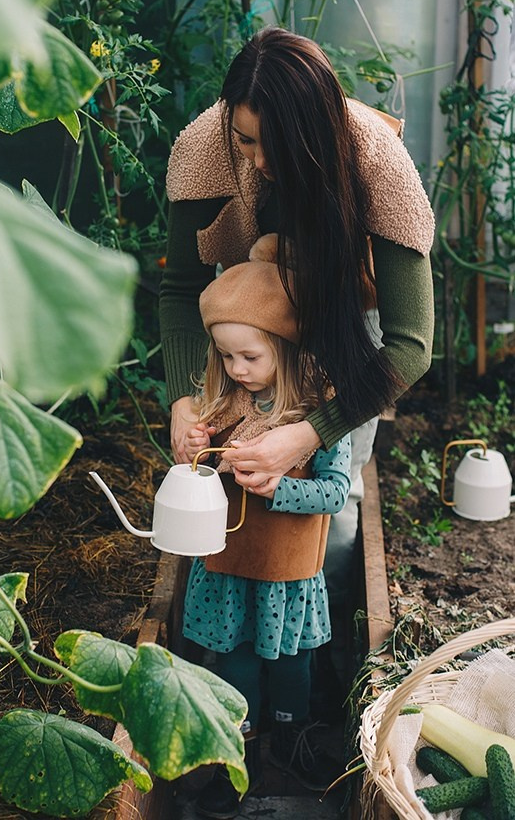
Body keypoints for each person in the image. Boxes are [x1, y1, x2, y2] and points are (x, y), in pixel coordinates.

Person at [160, 27, 435, 701]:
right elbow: (175, 288)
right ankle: (235, 661)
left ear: (315, 133)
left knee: (333, 502)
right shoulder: (204, 148)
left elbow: (409, 345)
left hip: (346, 322)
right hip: (255, 311)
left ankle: (321, 673)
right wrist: (182, 401)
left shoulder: (376, 162)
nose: (255, 160)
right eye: (244, 139)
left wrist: (311, 430)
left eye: (271, 145)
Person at [182, 237, 351, 819]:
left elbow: (333, 492)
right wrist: (196, 450)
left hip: (287, 574)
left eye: (249, 357)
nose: (236, 369)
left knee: (291, 664)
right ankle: (238, 755)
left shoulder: (321, 411)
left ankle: (292, 740)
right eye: (226, 357)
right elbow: (193, 473)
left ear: (287, 344)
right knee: (236, 661)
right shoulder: (223, 403)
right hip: (228, 567)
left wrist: (281, 487)